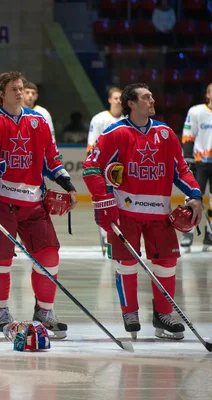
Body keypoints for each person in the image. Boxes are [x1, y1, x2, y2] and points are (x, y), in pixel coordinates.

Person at [83, 83, 202, 340]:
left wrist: (194, 194)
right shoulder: (115, 133)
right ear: (131, 103)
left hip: (160, 213)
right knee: (126, 263)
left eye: (151, 96)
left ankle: (163, 314)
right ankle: (130, 312)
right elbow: (91, 167)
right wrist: (103, 199)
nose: (152, 100)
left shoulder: (166, 133)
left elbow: (180, 170)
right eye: (145, 97)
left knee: (167, 264)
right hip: (126, 213)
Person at [0, 71, 78, 340]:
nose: (19, 92)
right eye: (14, 89)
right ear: (1, 93)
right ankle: (1, 311)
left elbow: (52, 159)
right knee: (0, 261)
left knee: (49, 256)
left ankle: (45, 311)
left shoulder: (39, 121)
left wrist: (69, 186)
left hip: (34, 203)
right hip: (2, 204)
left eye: (21, 88)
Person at [87, 87, 123, 250]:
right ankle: (105, 234)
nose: (118, 101)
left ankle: (118, 234)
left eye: (120, 98)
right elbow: (92, 146)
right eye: (115, 98)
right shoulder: (99, 119)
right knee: (104, 201)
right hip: (103, 168)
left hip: (122, 170)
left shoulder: (128, 119)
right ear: (109, 99)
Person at [181, 83, 212, 252]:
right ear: (207, 94)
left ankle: (210, 236)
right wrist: (188, 159)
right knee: (191, 198)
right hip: (199, 163)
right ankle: (188, 232)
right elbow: (187, 135)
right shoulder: (196, 111)